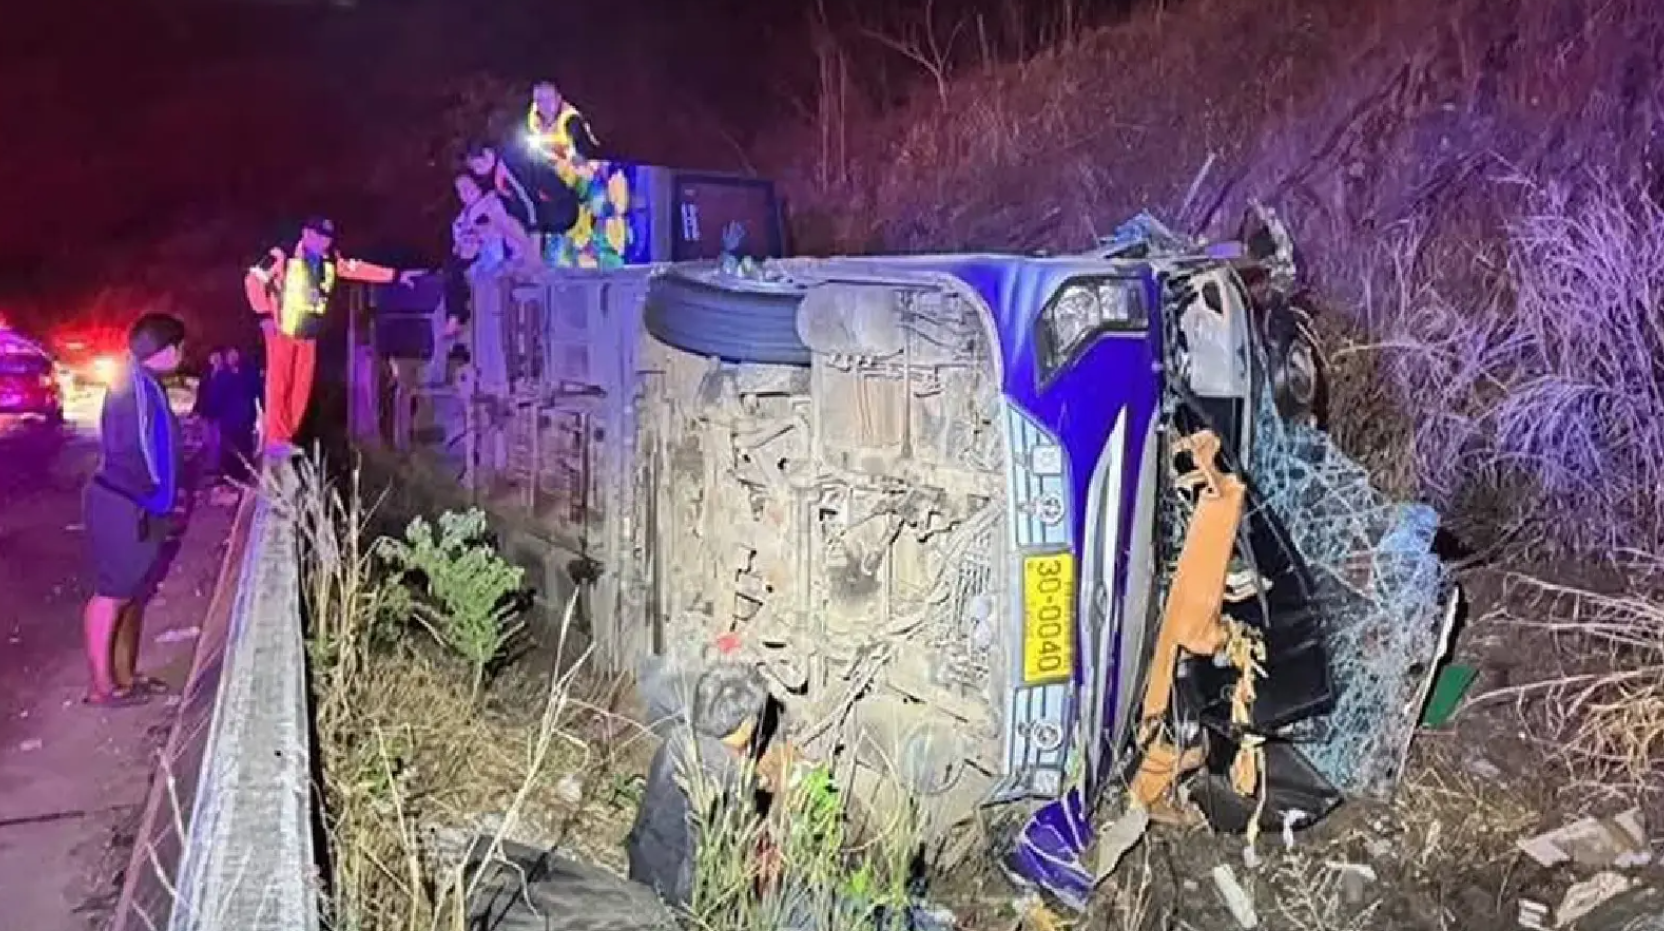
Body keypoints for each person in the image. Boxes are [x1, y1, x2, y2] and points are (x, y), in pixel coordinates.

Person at [81, 313, 188, 707]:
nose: (183, 354)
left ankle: (124, 677)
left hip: (135, 503)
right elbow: (141, 452)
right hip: (124, 503)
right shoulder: (136, 387)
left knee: (130, 593)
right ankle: (102, 687)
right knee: (112, 594)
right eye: (180, 347)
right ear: (167, 349)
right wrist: (158, 497)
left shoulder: (143, 382)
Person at [244, 216, 417, 457]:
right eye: (318, 236)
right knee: (279, 384)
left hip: (308, 332)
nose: (323, 242)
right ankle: (275, 439)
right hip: (282, 329)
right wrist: (263, 314)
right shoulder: (282, 255)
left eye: (326, 238)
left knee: (301, 388)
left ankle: (286, 437)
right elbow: (253, 279)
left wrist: (395, 276)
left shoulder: (330, 260)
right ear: (306, 233)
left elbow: (357, 269)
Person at [212, 347, 261, 483]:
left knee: (244, 446)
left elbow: (256, 390)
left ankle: (244, 473)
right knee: (228, 447)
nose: (232, 357)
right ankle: (228, 474)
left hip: (245, 419)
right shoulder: (222, 375)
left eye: (235, 354)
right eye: (229, 355)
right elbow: (215, 396)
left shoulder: (247, 373)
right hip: (228, 419)